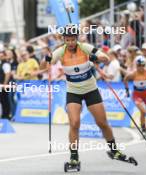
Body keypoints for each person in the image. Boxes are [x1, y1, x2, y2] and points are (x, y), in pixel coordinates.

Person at [40, 24, 128, 166]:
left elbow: (105, 58)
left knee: (102, 123)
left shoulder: (84, 47)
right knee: (74, 123)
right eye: (67, 40)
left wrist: (97, 57)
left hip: (91, 90)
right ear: (64, 40)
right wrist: (46, 59)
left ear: (76, 38)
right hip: (73, 91)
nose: (70, 43)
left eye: (72, 40)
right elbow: (42, 67)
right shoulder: (60, 51)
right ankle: (74, 157)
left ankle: (114, 150)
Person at [124, 55, 146, 139]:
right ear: (136, 65)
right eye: (139, 65)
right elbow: (125, 79)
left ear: (145, 65)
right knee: (143, 111)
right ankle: (144, 130)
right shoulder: (133, 74)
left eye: (142, 65)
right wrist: (127, 90)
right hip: (137, 95)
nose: (141, 67)